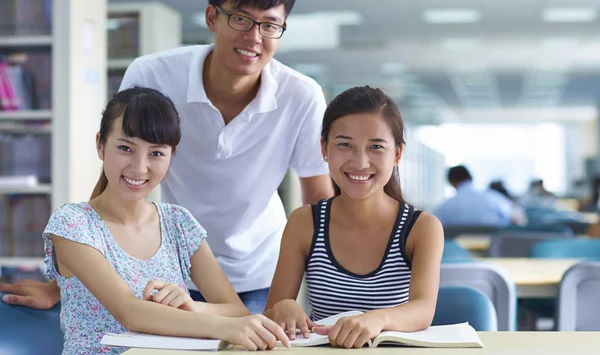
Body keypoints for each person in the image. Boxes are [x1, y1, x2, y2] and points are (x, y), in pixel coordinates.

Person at [0, 0, 332, 314]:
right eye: (240, 19)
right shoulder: (154, 74)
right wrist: (63, 284)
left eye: (270, 25)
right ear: (211, 17)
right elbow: (120, 177)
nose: (254, 37)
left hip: (259, 271)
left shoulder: (301, 95)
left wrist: (307, 296)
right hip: (165, 272)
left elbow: (317, 204)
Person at [40, 87, 289, 354]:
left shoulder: (177, 223)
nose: (139, 167)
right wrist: (218, 327)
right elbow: (130, 313)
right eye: (125, 148)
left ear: (172, 154)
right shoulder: (73, 224)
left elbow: (236, 310)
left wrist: (192, 306)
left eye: (156, 153)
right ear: (100, 145)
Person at [262, 86, 444, 348]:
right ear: (324, 148)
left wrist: (375, 320)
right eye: (345, 145)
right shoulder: (304, 223)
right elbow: (271, 313)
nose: (360, 162)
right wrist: (285, 308)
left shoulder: (422, 228)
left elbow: (423, 310)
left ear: (397, 154)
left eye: (376, 147)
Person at [433, 166, 511, 226]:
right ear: (471, 178)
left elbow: (434, 225)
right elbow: (509, 220)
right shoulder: (495, 199)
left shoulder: (446, 206)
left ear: (452, 181)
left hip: (456, 246)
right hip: (493, 246)